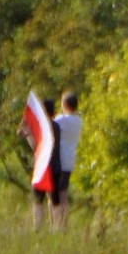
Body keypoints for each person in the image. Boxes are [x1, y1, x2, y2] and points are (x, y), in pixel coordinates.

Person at [18, 97, 61, 230]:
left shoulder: (40, 128)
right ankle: (56, 228)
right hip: (55, 165)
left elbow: (36, 147)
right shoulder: (56, 126)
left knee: (38, 200)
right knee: (55, 200)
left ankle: (38, 227)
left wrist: (27, 135)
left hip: (42, 167)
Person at [52, 90, 83, 229]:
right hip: (70, 160)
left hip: (59, 161)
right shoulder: (78, 121)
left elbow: (49, 125)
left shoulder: (62, 120)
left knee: (57, 195)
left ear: (65, 104)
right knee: (63, 192)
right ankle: (63, 224)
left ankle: (58, 224)